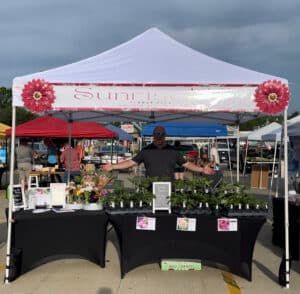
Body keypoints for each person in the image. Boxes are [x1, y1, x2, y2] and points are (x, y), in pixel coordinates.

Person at [103, 126, 215, 179]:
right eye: (157, 136)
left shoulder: (173, 151)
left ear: (165, 137)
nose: (159, 139)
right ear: (153, 137)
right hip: (150, 188)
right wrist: (113, 166)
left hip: (169, 188)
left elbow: (187, 164)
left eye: (161, 136)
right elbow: (131, 162)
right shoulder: (146, 150)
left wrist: (202, 169)